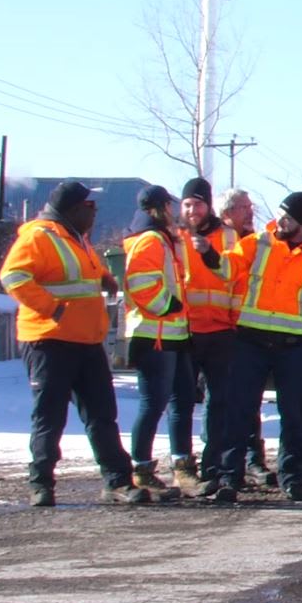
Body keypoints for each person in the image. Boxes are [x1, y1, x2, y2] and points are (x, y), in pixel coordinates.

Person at [0, 181, 150, 506]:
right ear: (73, 208)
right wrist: (50, 307)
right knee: (49, 416)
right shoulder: (39, 236)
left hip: (86, 341)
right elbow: (13, 276)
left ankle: (118, 481)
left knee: (102, 415)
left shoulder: (76, 237)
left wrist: (104, 278)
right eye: (90, 205)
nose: (94, 211)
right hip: (49, 341)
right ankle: (40, 484)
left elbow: (80, 273)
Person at [212, 192, 302, 502]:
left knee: (294, 415)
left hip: (295, 347)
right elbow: (228, 268)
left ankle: (292, 478)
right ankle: (229, 477)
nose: (281, 221)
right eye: (281, 215)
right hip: (250, 342)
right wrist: (211, 258)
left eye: (289, 217)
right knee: (238, 411)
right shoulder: (258, 243)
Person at [120, 184, 187, 501]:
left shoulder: (159, 237)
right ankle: (141, 468)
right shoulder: (151, 239)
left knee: (164, 402)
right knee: (152, 404)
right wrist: (168, 305)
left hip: (166, 334)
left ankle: (146, 467)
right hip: (153, 334)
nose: (173, 211)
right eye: (169, 206)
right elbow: (140, 283)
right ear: (158, 208)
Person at [215, 186, 276, 489]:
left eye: (250, 206)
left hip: (246, 330)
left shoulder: (257, 241)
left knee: (249, 404)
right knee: (228, 403)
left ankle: (253, 460)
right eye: (243, 207)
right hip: (215, 329)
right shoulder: (219, 240)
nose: (250, 211)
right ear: (227, 212)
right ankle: (221, 465)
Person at [177, 177, 234, 492]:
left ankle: (213, 465)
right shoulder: (174, 237)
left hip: (222, 330)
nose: (191, 210)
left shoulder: (227, 236)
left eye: (197, 203)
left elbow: (236, 275)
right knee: (183, 401)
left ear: (208, 205)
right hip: (186, 330)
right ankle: (184, 466)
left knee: (218, 401)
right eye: (187, 204)